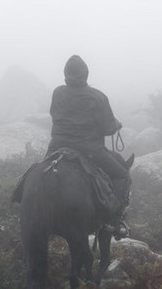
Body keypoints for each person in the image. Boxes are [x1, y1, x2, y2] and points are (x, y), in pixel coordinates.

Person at [46, 55, 129, 239]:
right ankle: (114, 220)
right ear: (86, 74)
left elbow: (54, 115)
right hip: (90, 150)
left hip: (56, 147)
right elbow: (107, 128)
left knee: (40, 171)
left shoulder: (57, 92)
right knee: (122, 175)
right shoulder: (98, 97)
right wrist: (116, 125)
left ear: (66, 74)